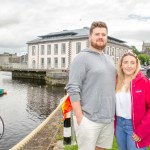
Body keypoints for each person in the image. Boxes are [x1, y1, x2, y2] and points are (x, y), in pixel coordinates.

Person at [65, 21, 116, 150]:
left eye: (103, 34)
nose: (100, 37)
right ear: (90, 37)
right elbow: (73, 88)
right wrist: (80, 118)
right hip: (89, 119)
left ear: (106, 37)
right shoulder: (81, 58)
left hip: (108, 119)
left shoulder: (109, 59)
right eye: (97, 34)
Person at [115, 52, 150, 150]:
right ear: (121, 65)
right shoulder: (117, 80)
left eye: (132, 63)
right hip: (119, 125)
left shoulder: (144, 81)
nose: (129, 66)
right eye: (125, 62)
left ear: (137, 65)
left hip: (136, 126)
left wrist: (142, 130)